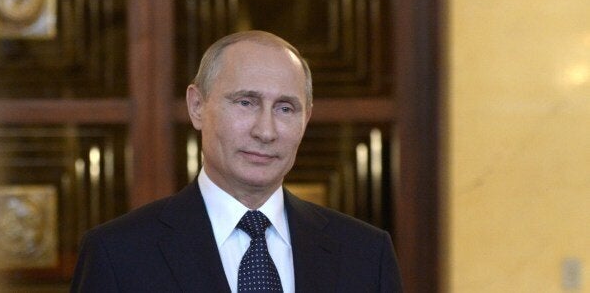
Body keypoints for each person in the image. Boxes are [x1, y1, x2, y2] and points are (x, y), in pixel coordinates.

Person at [71, 30, 403, 292]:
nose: (266, 130)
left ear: (307, 119)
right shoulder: (118, 253)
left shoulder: (365, 254)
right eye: (246, 102)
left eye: (285, 108)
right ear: (197, 106)